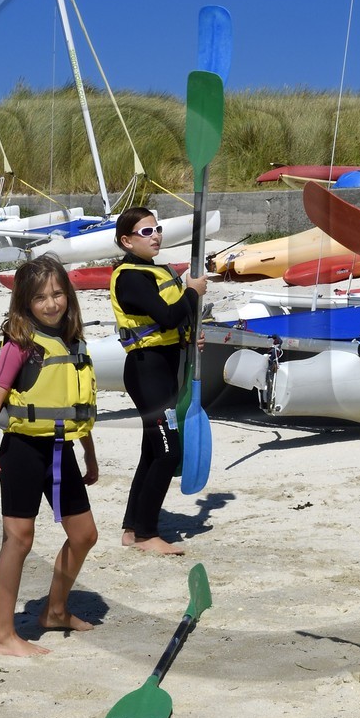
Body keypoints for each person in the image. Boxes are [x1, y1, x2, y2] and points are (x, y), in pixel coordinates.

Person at [0, 256, 100, 656]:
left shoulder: (74, 341)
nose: (51, 303)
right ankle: (3, 636)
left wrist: (90, 453)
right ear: (25, 303)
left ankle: (55, 611)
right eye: (41, 297)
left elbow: (77, 407)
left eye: (58, 293)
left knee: (84, 535)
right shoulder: (21, 345)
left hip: (62, 452)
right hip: (24, 451)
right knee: (18, 539)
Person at [109, 207, 207, 555]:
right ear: (127, 240)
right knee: (168, 452)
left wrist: (187, 335)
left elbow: (170, 322)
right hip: (145, 371)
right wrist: (193, 292)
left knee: (152, 451)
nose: (156, 236)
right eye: (146, 231)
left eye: (157, 229)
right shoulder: (130, 277)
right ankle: (147, 534)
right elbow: (166, 315)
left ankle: (132, 527)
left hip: (163, 368)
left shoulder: (152, 271)